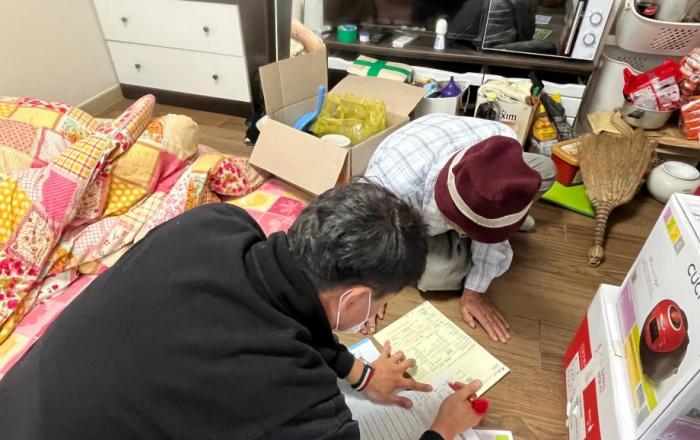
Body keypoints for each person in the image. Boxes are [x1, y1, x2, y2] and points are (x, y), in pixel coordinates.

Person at [0, 182, 486, 440]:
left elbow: (281, 301)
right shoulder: (300, 400)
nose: (378, 313)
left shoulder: (213, 222)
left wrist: (358, 373)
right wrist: (441, 430)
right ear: (355, 299)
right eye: (382, 302)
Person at [364, 114, 556, 343]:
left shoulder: (502, 145)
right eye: (467, 229)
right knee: (437, 275)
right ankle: (498, 221)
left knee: (546, 170)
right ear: (449, 213)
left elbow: (490, 241)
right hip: (413, 210)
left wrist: (475, 291)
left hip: (447, 165)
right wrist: (375, 287)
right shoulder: (391, 189)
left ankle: (504, 218)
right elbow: (365, 233)